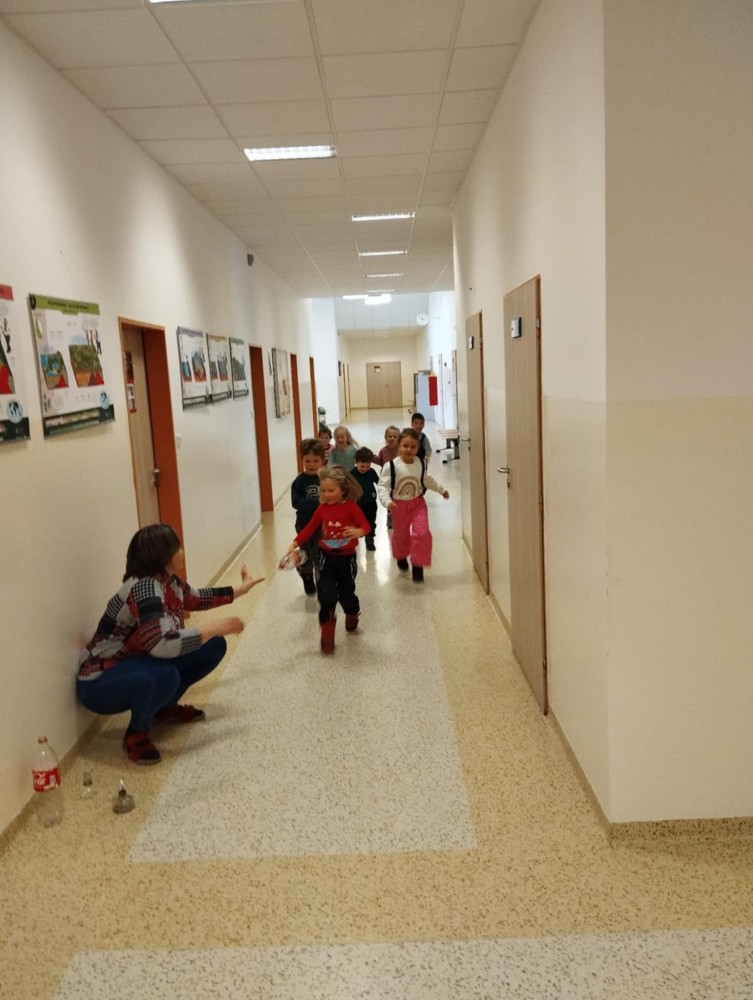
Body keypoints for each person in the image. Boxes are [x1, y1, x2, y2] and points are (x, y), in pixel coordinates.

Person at [76, 524, 264, 765]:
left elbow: (198, 598)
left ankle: (163, 709)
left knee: (213, 646)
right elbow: (162, 644)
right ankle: (136, 733)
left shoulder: (169, 582)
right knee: (167, 674)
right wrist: (214, 626)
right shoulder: (144, 587)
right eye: (177, 547)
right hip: (99, 682)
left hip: (136, 662)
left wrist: (242, 589)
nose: (182, 551)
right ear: (162, 555)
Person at [285, 466, 370, 653]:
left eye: (331, 490)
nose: (326, 494)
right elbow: (309, 528)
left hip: (347, 559)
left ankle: (352, 612)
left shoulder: (351, 507)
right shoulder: (322, 509)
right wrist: (295, 543)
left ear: (343, 490)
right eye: (323, 490)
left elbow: (366, 525)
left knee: (346, 593)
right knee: (326, 593)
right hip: (326, 557)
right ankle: (327, 633)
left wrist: (359, 531)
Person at [377, 428, 450, 583]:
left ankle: (418, 565)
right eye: (405, 446)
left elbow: (427, 480)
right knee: (401, 535)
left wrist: (441, 490)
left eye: (413, 446)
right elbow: (383, 487)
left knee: (422, 534)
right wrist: (387, 502)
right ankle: (401, 556)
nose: (409, 449)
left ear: (418, 448)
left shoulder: (420, 463)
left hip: (418, 504)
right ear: (399, 446)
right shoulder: (391, 466)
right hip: (398, 506)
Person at [290, 438, 325, 594]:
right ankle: (306, 575)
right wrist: (316, 503)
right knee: (305, 552)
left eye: (315, 461)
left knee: (319, 552)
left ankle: (320, 577)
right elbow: (295, 502)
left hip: (322, 524)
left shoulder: (325, 478)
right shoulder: (299, 481)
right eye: (307, 461)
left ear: (322, 460)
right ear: (302, 460)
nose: (311, 464)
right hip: (304, 523)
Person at [350, 446, 379, 550]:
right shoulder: (351, 474)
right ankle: (354, 538)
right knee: (355, 522)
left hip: (371, 502)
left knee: (371, 521)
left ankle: (369, 540)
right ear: (356, 462)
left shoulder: (372, 472)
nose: (365, 469)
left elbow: (380, 483)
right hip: (356, 504)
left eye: (368, 466)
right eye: (362, 466)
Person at [375, 425, 400, 529]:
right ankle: (390, 516)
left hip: (399, 478)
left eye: (395, 436)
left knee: (398, 497)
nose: (392, 438)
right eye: (390, 436)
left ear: (398, 438)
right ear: (386, 437)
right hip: (387, 479)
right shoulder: (383, 451)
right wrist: (371, 457)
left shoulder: (400, 450)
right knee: (388, 497)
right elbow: (380, 461)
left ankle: (400, 516)